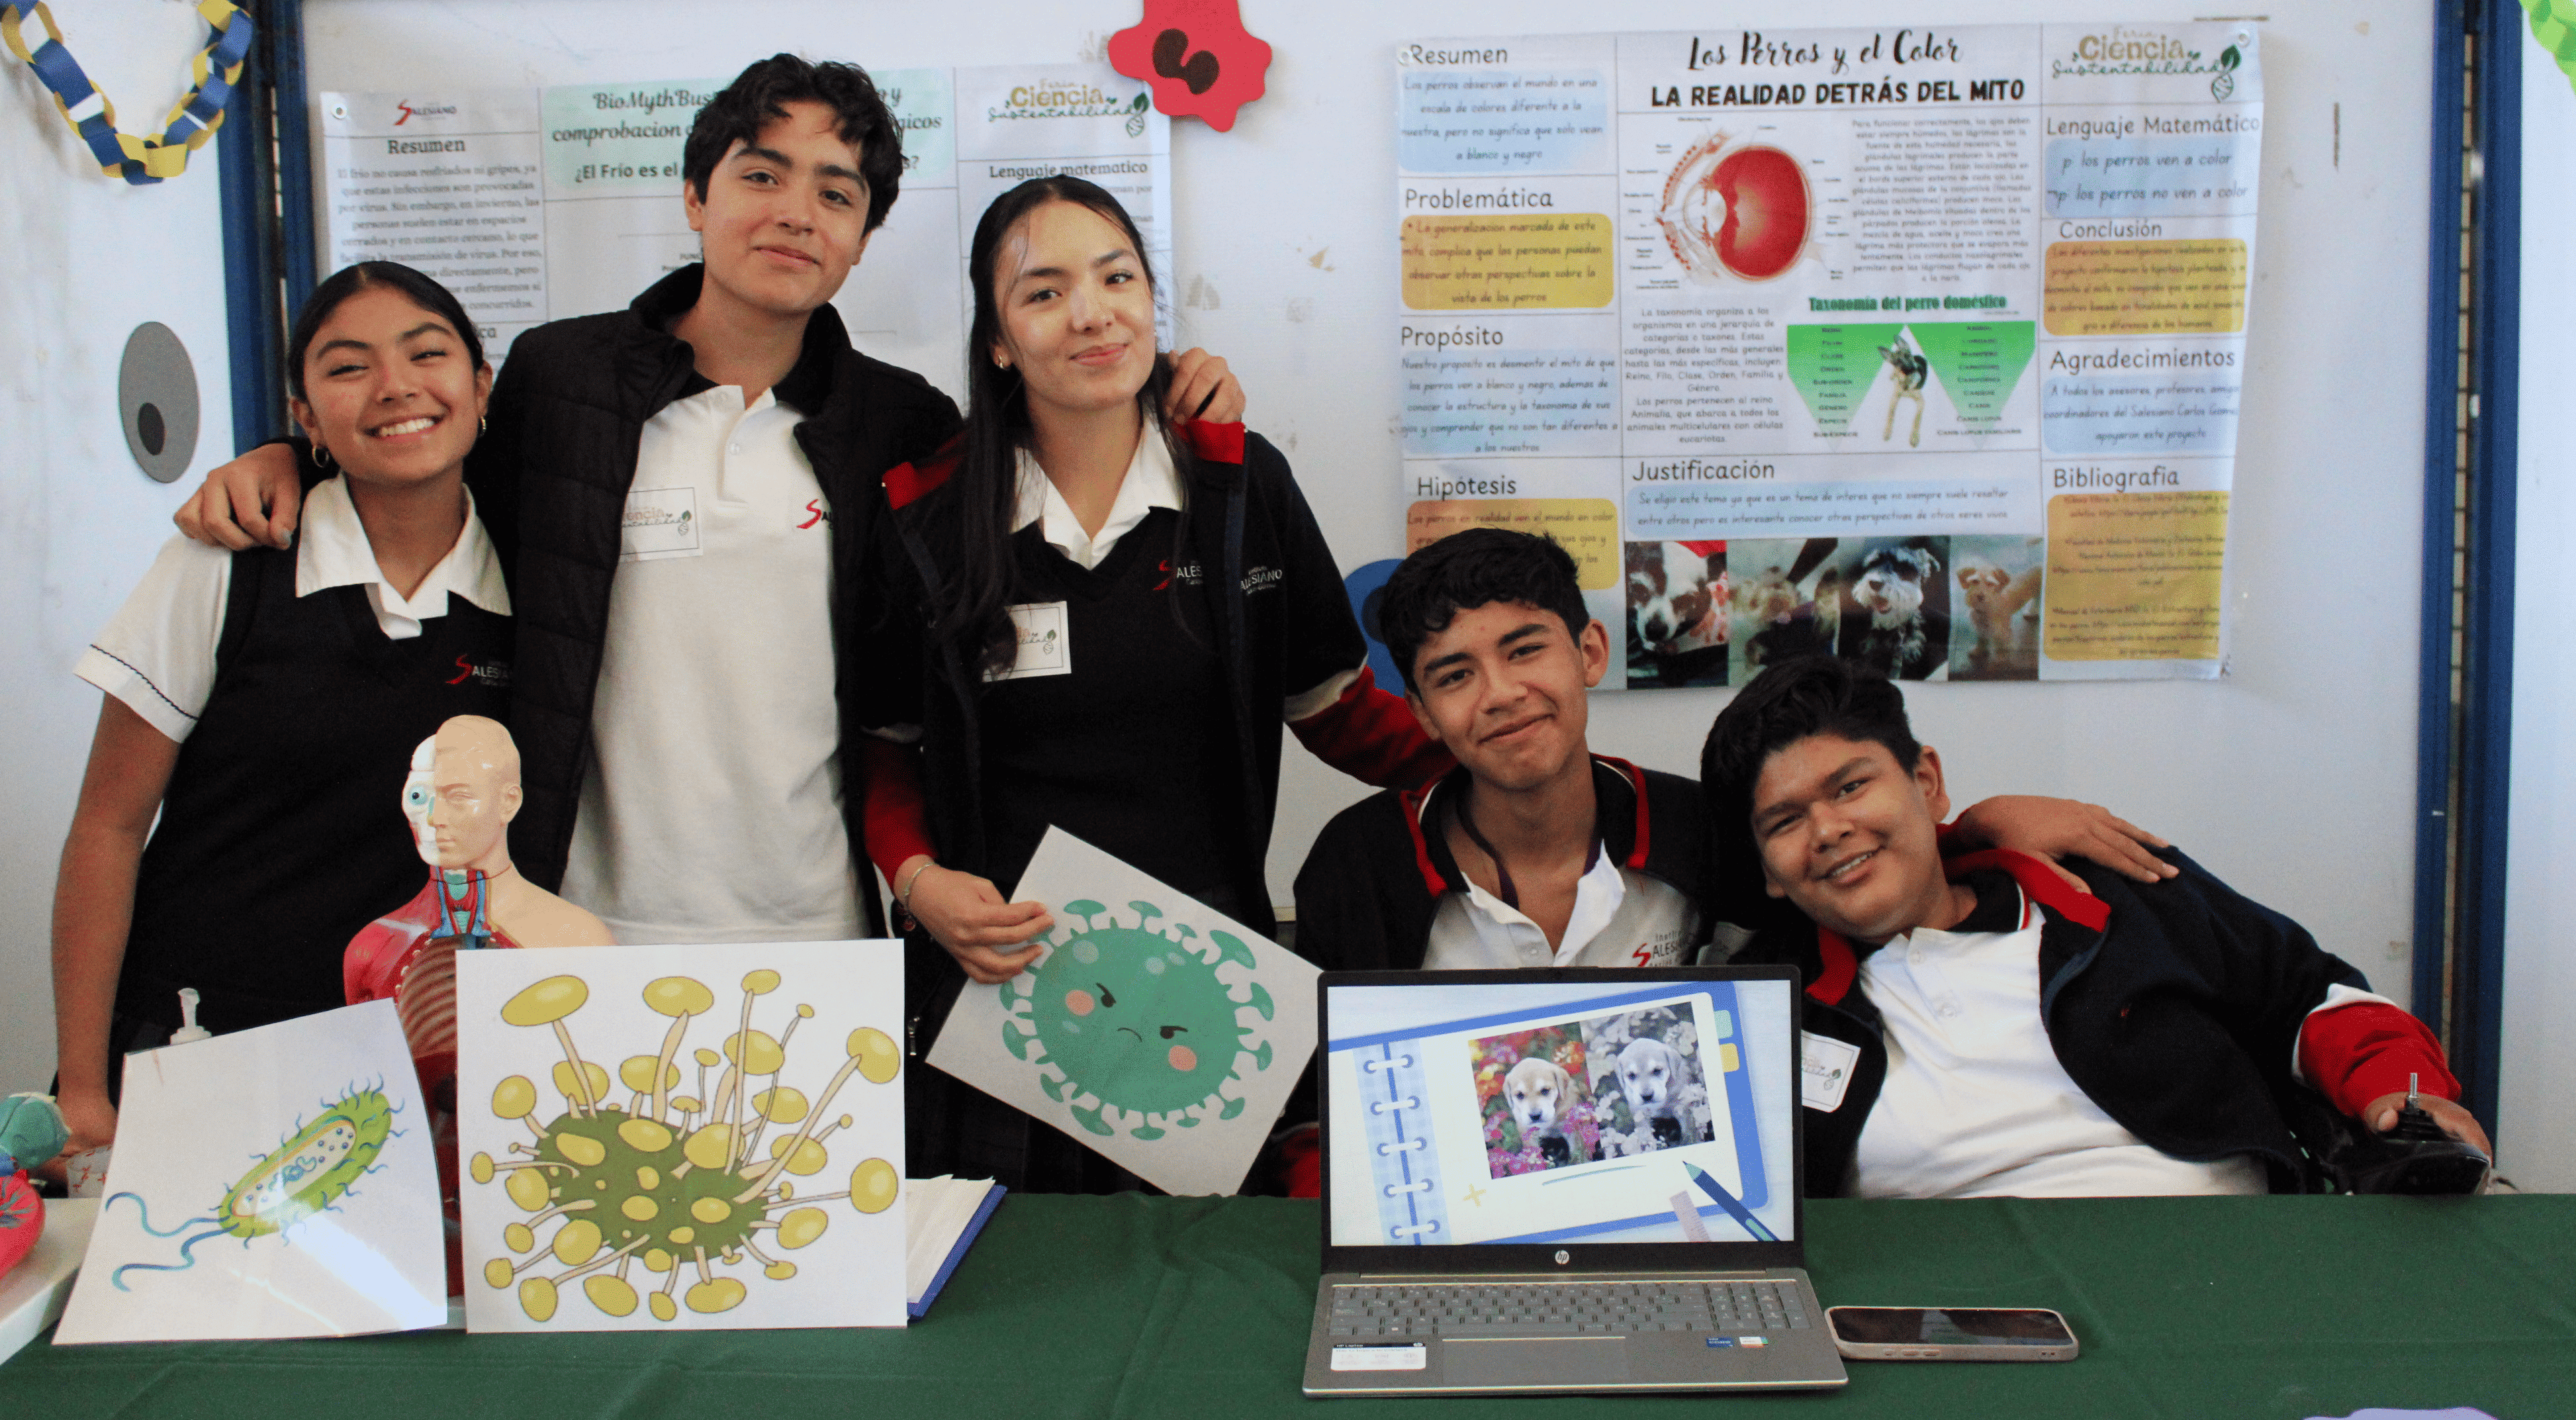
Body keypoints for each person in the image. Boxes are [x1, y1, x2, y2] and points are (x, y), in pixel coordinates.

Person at [167, 56, 1246, 950]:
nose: (795, 213)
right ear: (696, 195)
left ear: (863, 238)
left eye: (836, 193)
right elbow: (425, 470)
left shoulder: (897, 424)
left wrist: (1172, 397)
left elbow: (1040, 455)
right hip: (571, 916)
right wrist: (286, 457)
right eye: (762, 175)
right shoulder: (562, 381)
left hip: (813, 930)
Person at [856, 176, 1446, 1191]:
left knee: (1210, 1295)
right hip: (1002, 997)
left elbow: (1334, 707)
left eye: (1117, 277)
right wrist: (919, 883)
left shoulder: (1237, 486)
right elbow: (885, 745)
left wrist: (1517, 774)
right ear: (997, 339)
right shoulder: (928, 517)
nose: (1092, 312)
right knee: (1019, 1302)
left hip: (1209, 987)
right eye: (1043, 292)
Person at [1700, 654, 2491, 1197]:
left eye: (1850, 787)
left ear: (1926, 782)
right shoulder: (1765, 1009)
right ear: (1767, 869)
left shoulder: (2111, 896)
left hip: (2234, 1267)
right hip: (1960, 1320)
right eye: (1785, 821)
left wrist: (2402, 1092)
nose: (1830, 829)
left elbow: (2310, 997)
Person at [50, 261, 512, 1162]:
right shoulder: (228, 562)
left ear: (481, 385)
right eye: (347, 368)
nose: (396, 387)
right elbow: (107, 826)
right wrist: (79, 1085)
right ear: (304, 418)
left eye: (427, 352)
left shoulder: (536, 580)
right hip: (209, 1039)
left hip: (424, 1064)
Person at [1293, 528, 2178, 975]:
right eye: (1455, 675)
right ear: (1420, 712)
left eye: (1527, 649)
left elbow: (1847, 877)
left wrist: (1976, 828)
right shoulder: (1356, 865)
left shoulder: (1700, 828)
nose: (1500, 693)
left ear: (1590, 654)